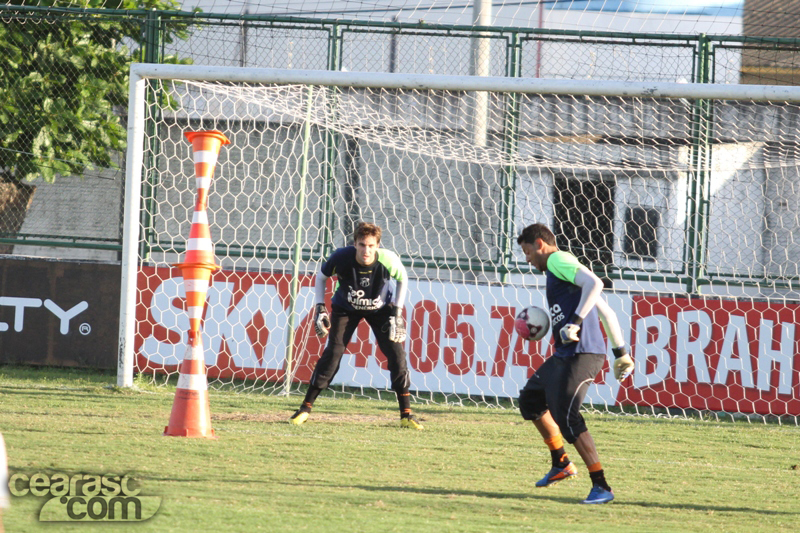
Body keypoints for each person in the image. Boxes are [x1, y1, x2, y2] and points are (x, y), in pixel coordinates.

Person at [516, 223, 634, 504]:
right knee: (531, 400)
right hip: (565, 354)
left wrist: (576, 322)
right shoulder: (560, 271)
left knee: (567, 417)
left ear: (540, 244)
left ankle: (601, 486)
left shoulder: (558, 259)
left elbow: (596, 283)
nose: (527, 259)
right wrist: (621, 352)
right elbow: (605, 310)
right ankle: (561, 463)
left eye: (527, 251)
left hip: (582, 353)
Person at [289, 221, 423, 430]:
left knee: (397, 355)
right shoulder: (341, 257)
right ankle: (305, 408)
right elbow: (322, 277)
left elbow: (402, 279)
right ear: (355, 244)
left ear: (378, 246)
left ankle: (406, 414)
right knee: (333, 353)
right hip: (345, 308)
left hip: (380, 309)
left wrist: (397, 312)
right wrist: (320, 308)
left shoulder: (388, 259)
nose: (366, 250)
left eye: (371, 246)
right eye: (362, 245)